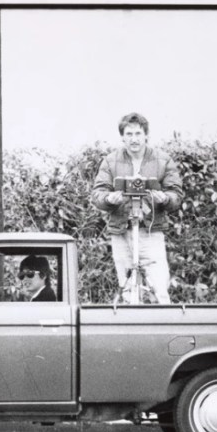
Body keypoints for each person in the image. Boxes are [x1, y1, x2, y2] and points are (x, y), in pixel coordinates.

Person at [91, 112, 183, 304]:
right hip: (121, 231)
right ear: (122, 136)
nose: (134, 139)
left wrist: (165, 198)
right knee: (127, 289)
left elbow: (176, 195)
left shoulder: (163, 160)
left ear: (146, 135)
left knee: (159, 289)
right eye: (129, 134)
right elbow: (98, 194)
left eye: (138, 133)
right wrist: (109, 199)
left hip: (151, 231)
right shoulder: (110, 160)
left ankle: (162, 328)